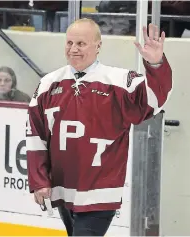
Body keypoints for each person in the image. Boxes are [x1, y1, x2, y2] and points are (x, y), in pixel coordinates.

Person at [26, 18, 172, 236]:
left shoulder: (120, 80)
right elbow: (36, 133)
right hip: (64, 189)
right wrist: (39, 181)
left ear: (98, 46)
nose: (73, 49)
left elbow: (153, 101)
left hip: (101, 193)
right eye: (69, 43)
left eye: (81, 44)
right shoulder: (49, 83)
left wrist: (156, 65)